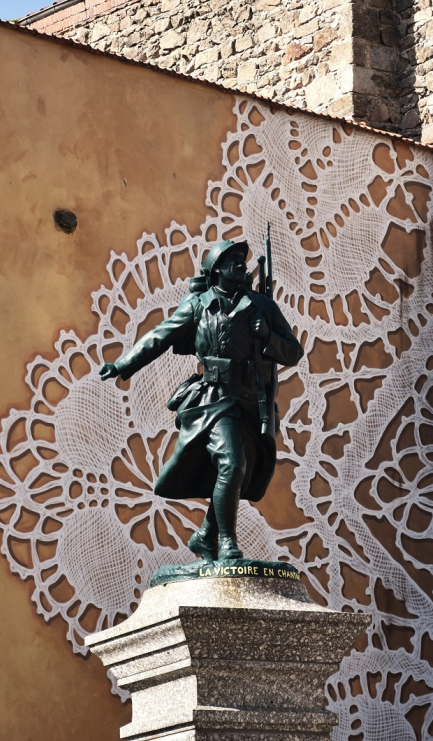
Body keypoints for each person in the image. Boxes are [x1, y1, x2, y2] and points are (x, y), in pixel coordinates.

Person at [100, 239, 303, 562]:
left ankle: (205, 537)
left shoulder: (262, 307)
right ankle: (226, 543)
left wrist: (266, 334)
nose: (241, 263)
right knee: (233, 463)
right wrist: (123, 365)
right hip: (214, 398)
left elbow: (293, 353)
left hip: (251, 400)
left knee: (243, 471)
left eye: (242, 259)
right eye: (232, 259)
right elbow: (159, 336)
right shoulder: (197, 305)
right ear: (216, 269)